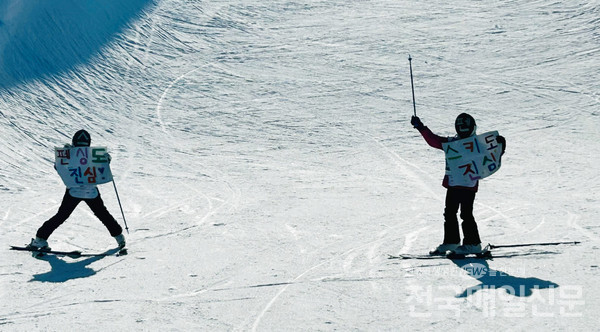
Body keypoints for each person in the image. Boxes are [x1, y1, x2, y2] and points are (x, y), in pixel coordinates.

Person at [411, 113, 506, 255]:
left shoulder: (478, 143)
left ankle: (472, 244)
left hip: (468, 184)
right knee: (449, 212)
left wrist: (499, 143)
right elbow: (434, 141)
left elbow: (493, 154)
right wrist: (421, 128)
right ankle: (451, 241)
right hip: (454, 183)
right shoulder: (453, 143)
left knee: (466, 214)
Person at [27, 130, 125, 256]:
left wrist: (64, 155)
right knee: (102, 214)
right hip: (91, 191)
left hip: (73, 191)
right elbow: (101, 170)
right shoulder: (92, 155)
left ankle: (40, 240)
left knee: (61, 216)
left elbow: (58, 167)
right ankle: (119, 237)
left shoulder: (70, 154)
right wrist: (106, 160)